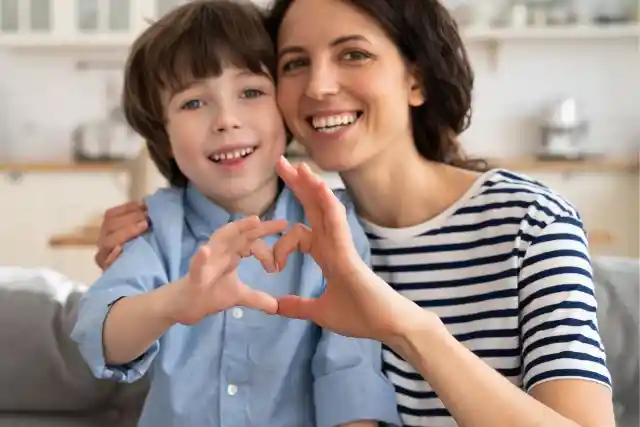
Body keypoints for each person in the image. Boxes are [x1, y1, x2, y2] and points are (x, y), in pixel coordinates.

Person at [96, 1, 617, 427]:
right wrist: (144, 271)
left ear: (416, 79)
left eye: (354, 55)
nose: (319, 86)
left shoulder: (528, 222)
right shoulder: (290, 235)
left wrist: (412, 331)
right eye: (295, 63)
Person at [70, 2, 401, 427]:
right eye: (192, 103)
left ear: (285, 108)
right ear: (163, 135)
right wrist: (176, 301)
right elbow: (101, 336)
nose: (226, 120)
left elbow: (349, 378)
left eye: (251, 92)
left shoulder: (329, 223)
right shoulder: (152, 229)